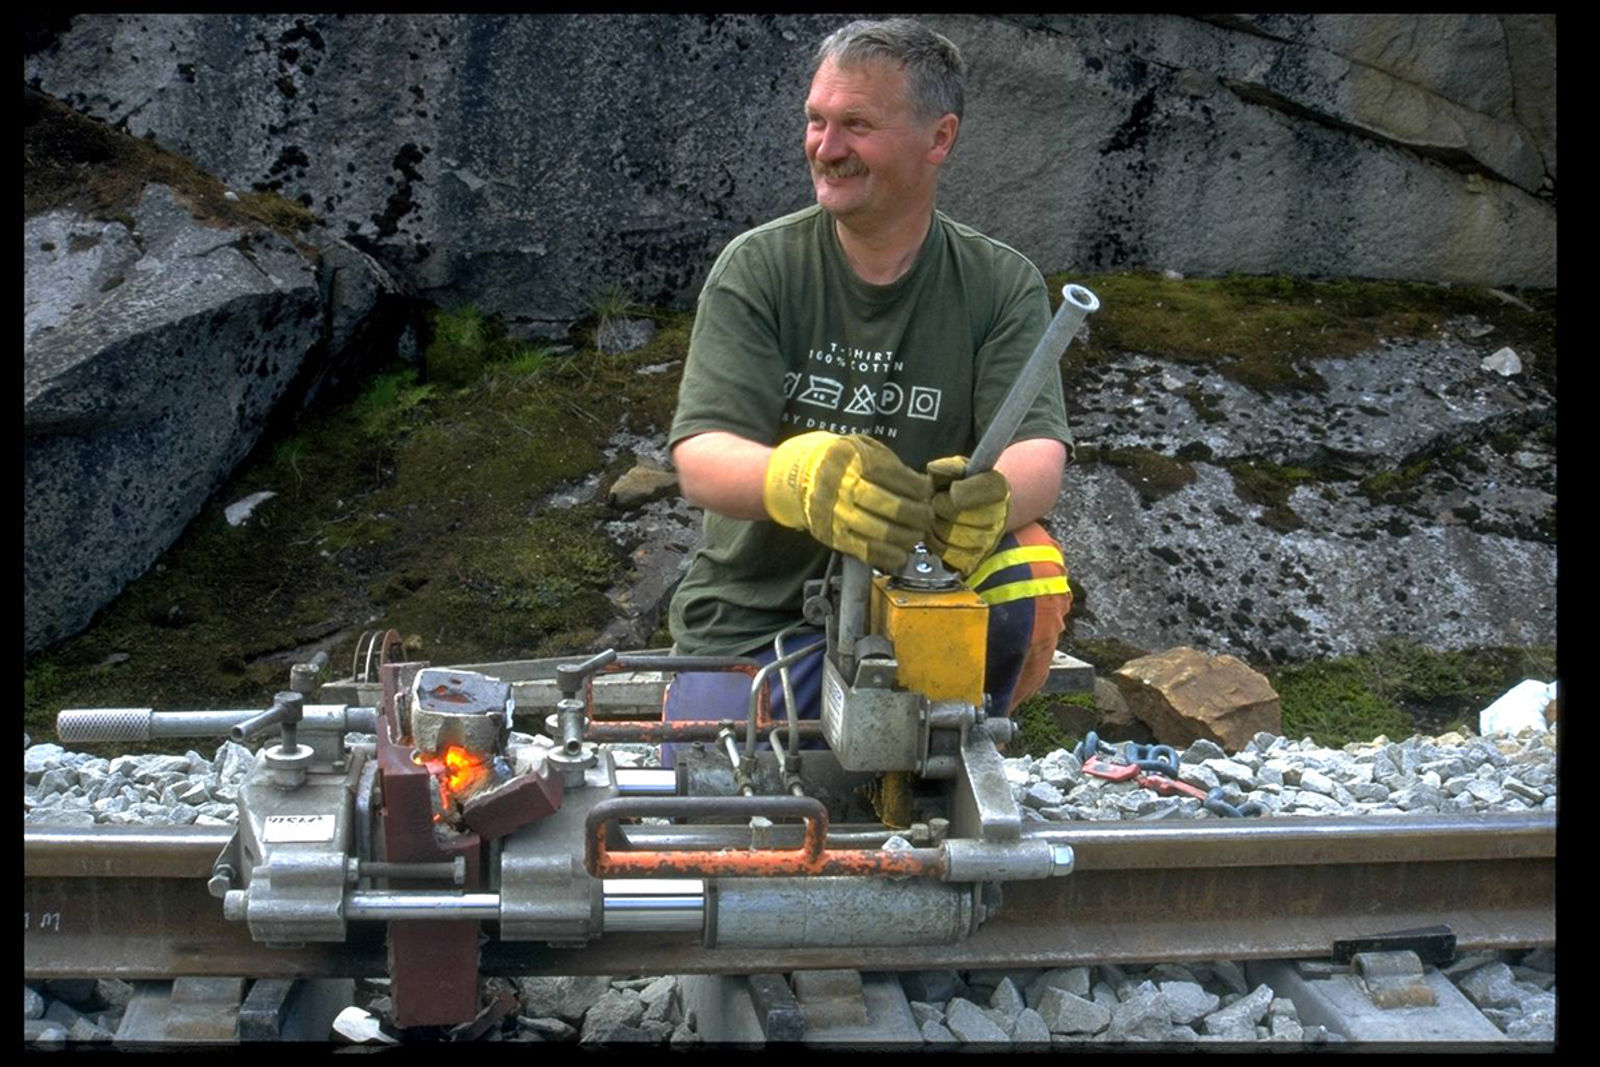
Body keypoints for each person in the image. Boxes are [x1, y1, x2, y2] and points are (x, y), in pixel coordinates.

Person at [660, 18, 1073, 765]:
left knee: (1027, 559)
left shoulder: (1000, 284)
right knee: (711, 805)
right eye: (817, 121)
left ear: (938, 139)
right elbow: (701, 458)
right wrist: (798, 478)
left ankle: (958, 743)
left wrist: (985, 501)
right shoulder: (759, 269)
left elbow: (1037, 452)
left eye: (856, 125)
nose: (826, 147)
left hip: (919, 610)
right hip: (757, 621)